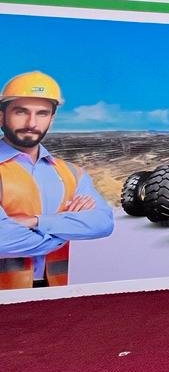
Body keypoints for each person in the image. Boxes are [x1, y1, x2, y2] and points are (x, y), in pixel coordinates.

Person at [0, 71, 114, 289]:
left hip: (54, 291)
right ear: (1, 115)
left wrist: (36, 221)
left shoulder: (71, 172)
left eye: (42, 113)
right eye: (21, 112)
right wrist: (62, 232)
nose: (31, 123)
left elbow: (102, 223)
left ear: (51, 120)